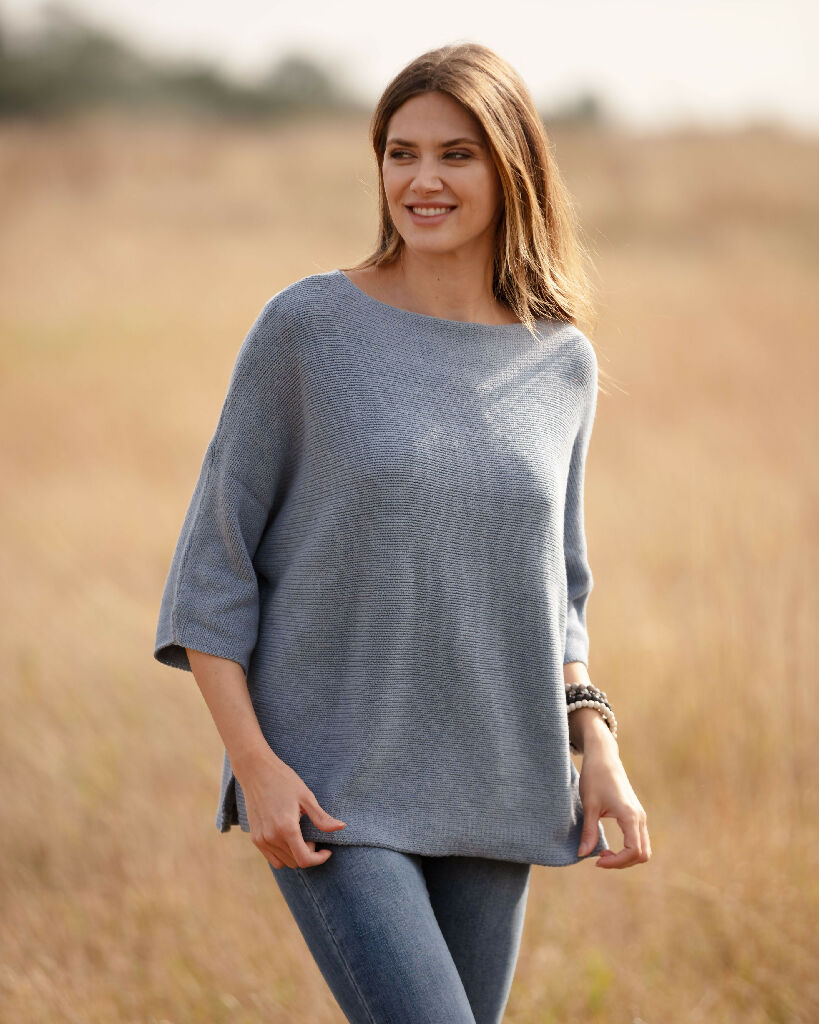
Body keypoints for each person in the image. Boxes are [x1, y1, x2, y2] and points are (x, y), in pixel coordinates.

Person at [153, 41, 650, 1024]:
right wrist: (254, 765)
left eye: (456, 155)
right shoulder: (308, 327)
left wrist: (595, 742)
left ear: (512, 168)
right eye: (400, 153)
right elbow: (213, 566)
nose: (422, 181)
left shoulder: (560, 360)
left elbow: (557, 589)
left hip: (499, 783)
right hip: (332, 786)